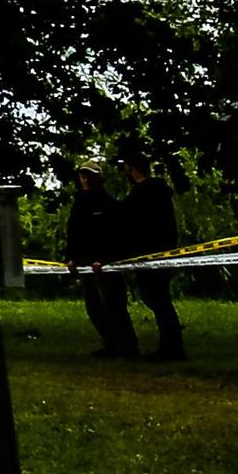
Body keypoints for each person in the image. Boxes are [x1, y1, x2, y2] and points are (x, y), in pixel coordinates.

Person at [115, 148, 185, 363]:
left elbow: (128, 220)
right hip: (161, 251)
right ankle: (171, 346)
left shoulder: (142, 194)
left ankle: (171, 348)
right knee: (159, 299)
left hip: (150, 254)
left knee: (157, 298)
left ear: (132, 169)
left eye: (126, 168)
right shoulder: (160, 192)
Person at [66, 160, 132, 356]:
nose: (85, 179)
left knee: (114, 305)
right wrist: (71, 257)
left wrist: (106, 258)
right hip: (85, 262)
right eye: (82, 175)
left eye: (89, 175)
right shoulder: (79, 204)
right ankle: (110, 343)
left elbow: (117, 235)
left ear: (98, 178)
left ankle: (127, 346)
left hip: (105, 263)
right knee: (93, 306)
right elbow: (73, 233)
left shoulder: (110, 203)